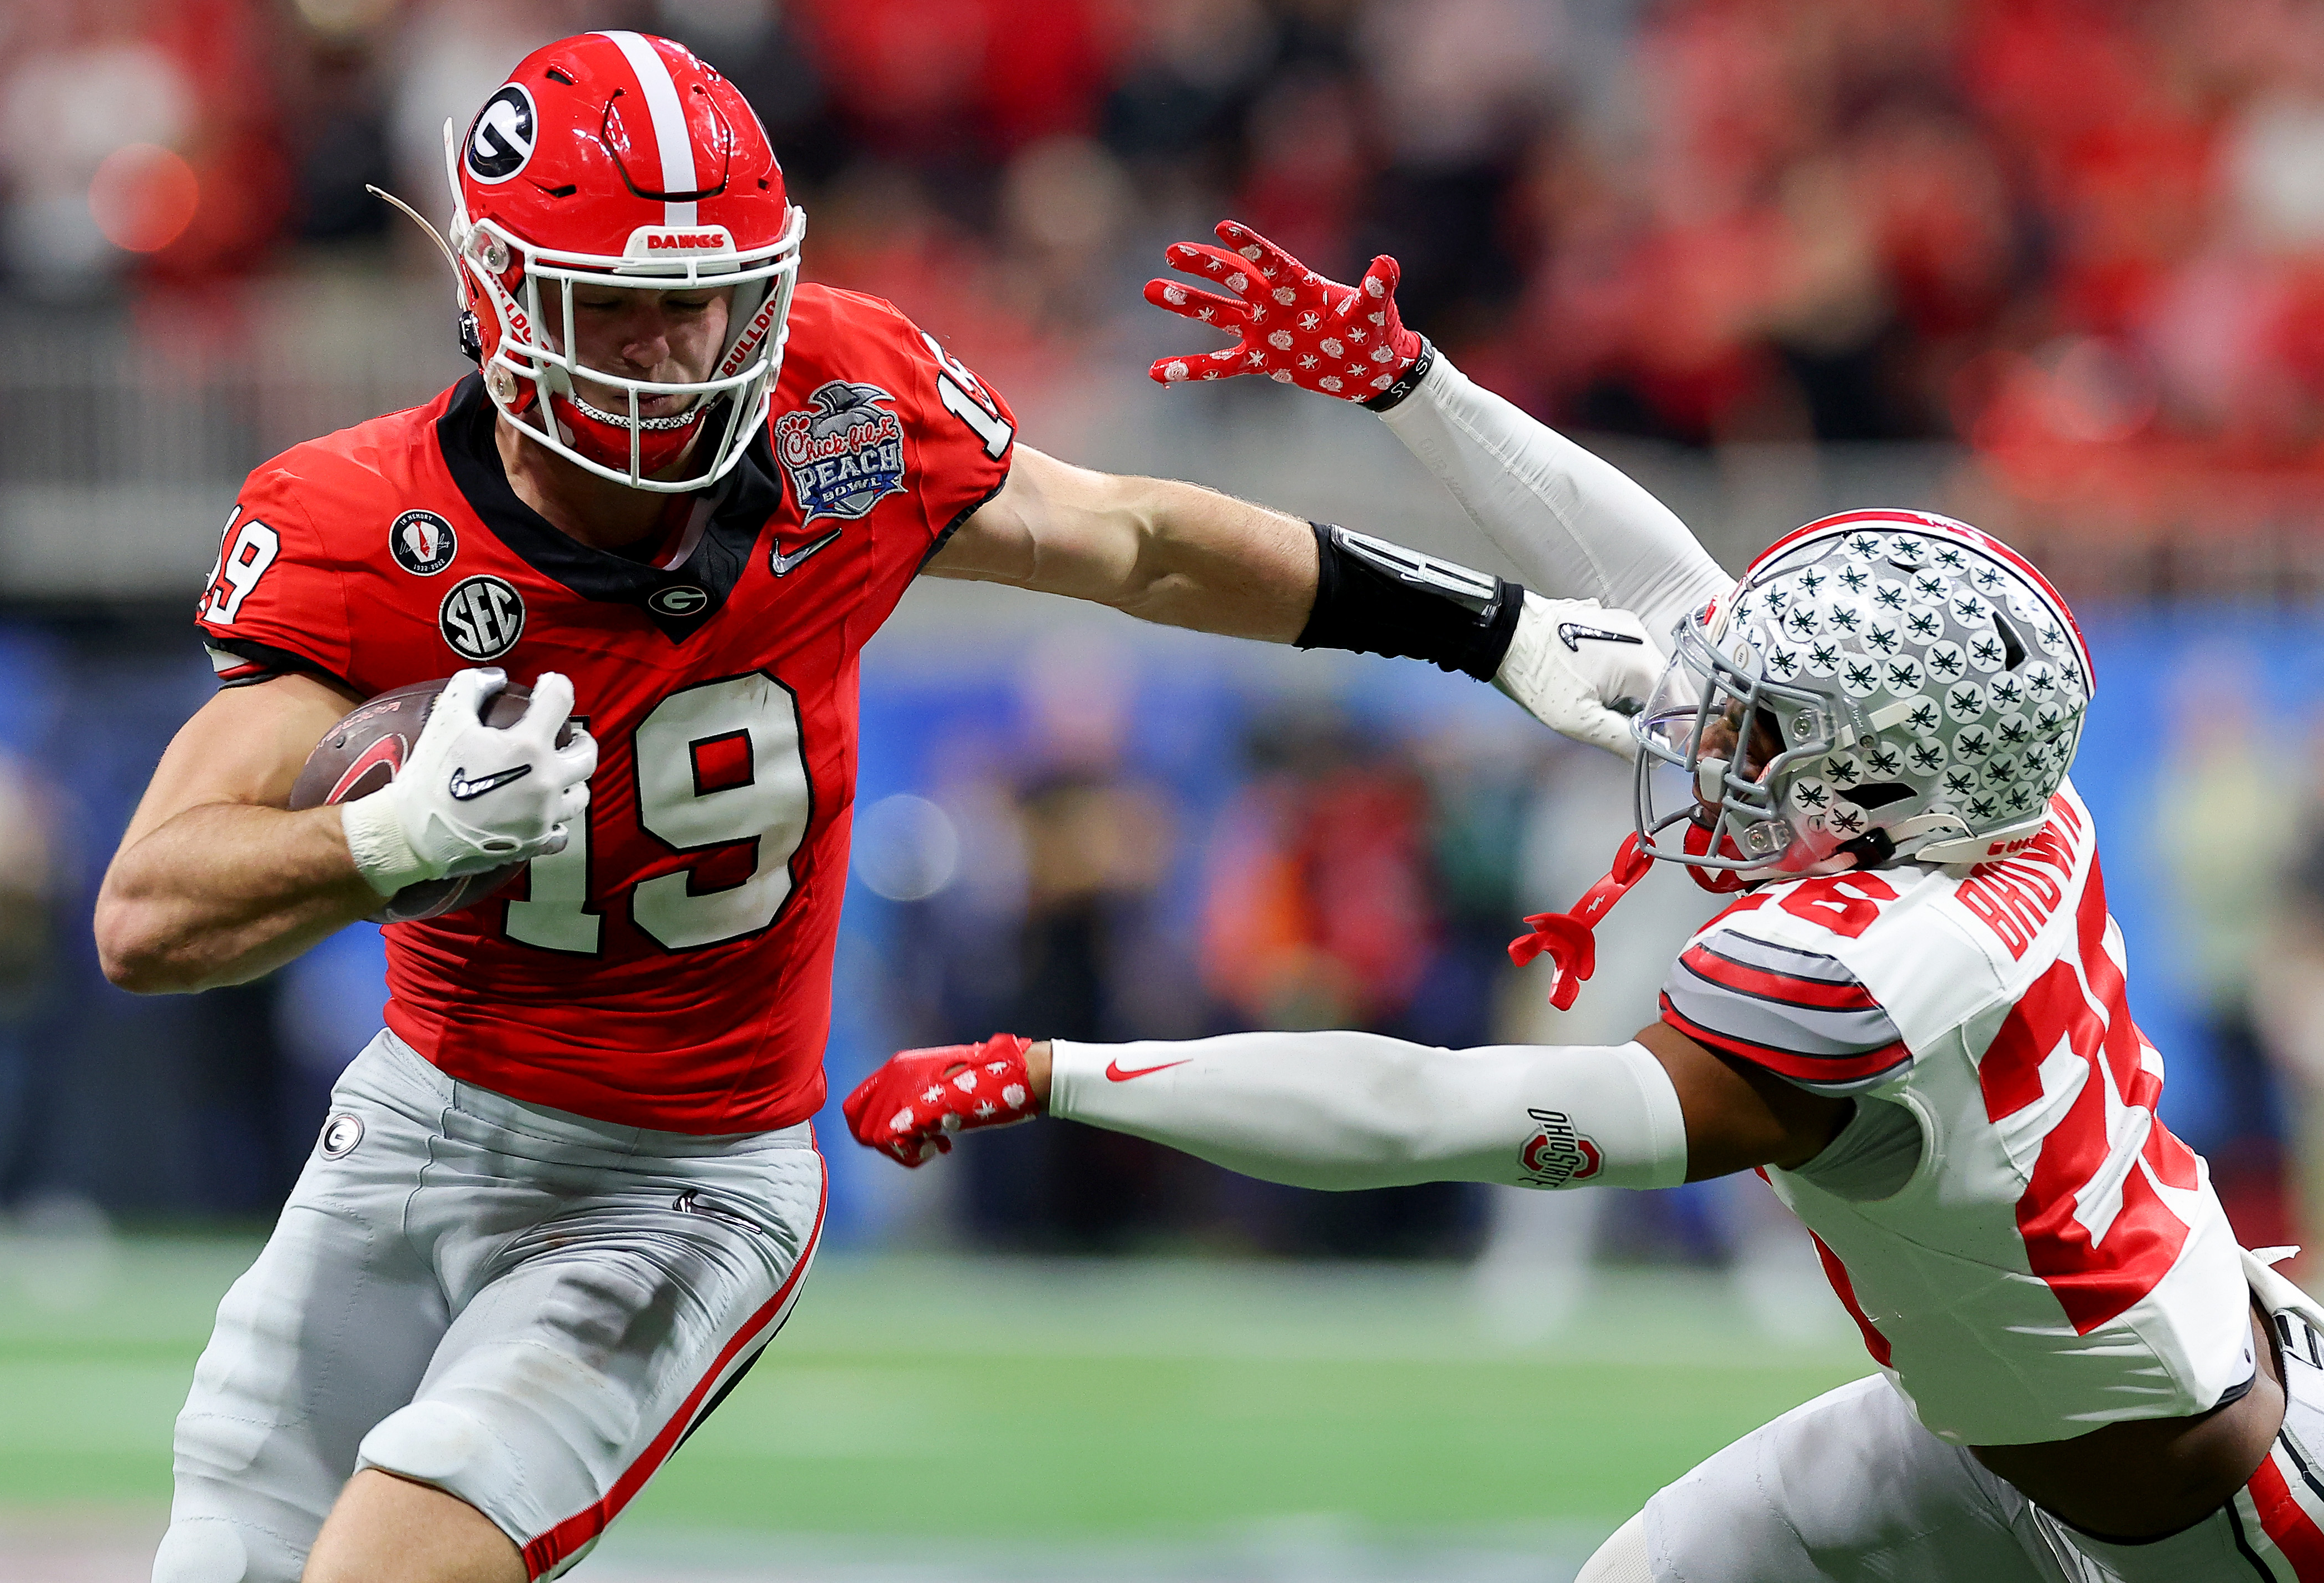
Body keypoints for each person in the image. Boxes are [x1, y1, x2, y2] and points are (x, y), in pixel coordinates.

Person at [93, 37, 1669, 1583]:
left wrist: (1493, 628)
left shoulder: (839, 410)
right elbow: (148, 917)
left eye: (706, 302)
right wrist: (387, 843)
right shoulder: (369, 530)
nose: (680, 356)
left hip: (685, 1178)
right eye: (626, 315)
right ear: (499, 299)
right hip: (417, 1129)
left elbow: (1135, 539)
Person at [845, 223, 2324, 1583]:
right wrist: (1410, 384)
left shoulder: (1865, 966)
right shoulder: (2004, 801)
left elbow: (1431, 1113)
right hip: (2034, 1414)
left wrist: (1069, 1075)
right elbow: (1673, 584)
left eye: (1770, 731)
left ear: (1886, 793)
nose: (1716, 744)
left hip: (2204, 1522)